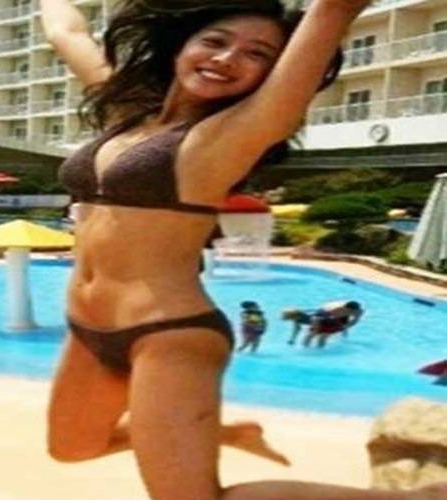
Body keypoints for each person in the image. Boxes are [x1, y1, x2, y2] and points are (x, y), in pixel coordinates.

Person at [41, 1, 447, 499]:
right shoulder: (128, 112)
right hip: (87, 327)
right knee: (73, 447)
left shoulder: (231, 135)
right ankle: (223, 433)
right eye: (215, 41)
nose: (227, 58)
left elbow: (331, 11)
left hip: (167, 334)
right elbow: (65, 32)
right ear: (182, 45)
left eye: (256, 54)